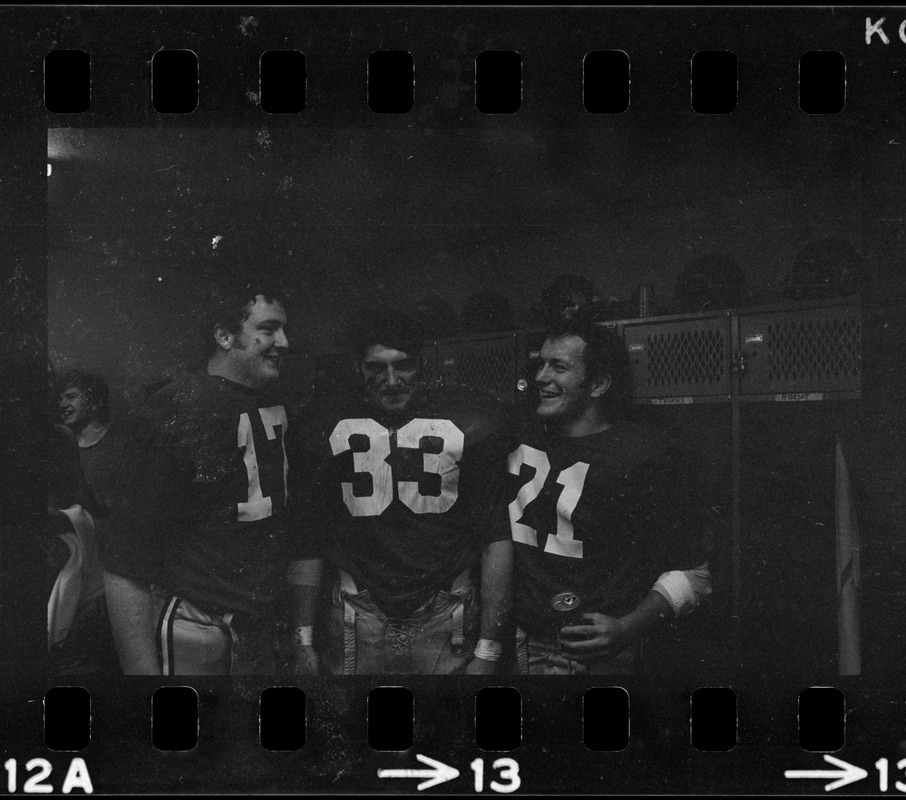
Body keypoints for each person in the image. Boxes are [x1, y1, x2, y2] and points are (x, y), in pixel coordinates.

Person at [290, 307, 512, 676]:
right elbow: (307, 538)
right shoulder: (323, 425)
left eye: (403, 365)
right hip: (355, 611)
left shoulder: (472, 420)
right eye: (376, 367)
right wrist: (303, 641)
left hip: (447, 609)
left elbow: (495, 537)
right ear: (356, 368)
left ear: (424, 364)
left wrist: (488, 650)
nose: (391, 380)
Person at [104, 277, 294, 675]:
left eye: (284, 329)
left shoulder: (276, 400)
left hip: (261, 631)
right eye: (267, 330)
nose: (284, 342)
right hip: (197, 626)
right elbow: (125, 562)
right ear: (224, 336)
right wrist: (143, 677)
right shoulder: (173, 407)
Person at [504, 319, 712, 675]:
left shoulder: (643, 458)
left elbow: (697, 575)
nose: (540, 376)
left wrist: (627, 628)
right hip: (520, 644)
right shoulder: (513, 437)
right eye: (540, 363)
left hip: (597, 656)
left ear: (598, 384)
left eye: (559, 367)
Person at [59, 369, 124, 549]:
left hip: (110, 547)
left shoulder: (121, 446)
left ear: (93, 400)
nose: (63, 404)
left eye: (71, 397)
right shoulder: (60, 448)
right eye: (61, 399)